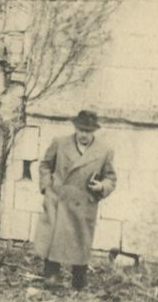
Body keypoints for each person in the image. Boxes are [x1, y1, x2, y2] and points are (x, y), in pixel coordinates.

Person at [33, 109, 117, 290]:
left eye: (88, 131)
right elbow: (45, 165)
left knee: (81, 241)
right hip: (59, 198)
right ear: (75, 128)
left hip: (84, 202)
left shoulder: (104, 151)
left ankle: (79, 278)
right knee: (53, 238)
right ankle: (51, 274)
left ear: (94, 131)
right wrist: (46, 187)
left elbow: (110, 178)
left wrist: (101, 187)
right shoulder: (60, 143)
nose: (84, 135)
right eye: (81, 130)